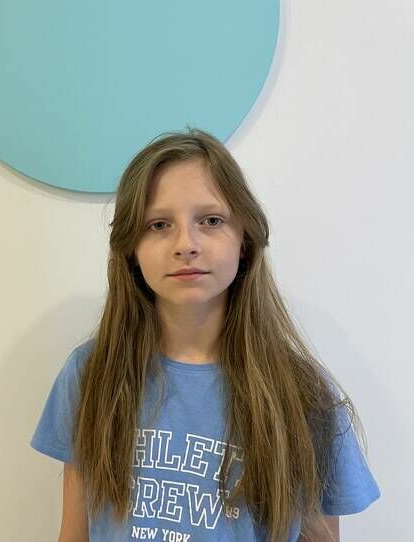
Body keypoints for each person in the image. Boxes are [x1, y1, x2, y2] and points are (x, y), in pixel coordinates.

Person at [30, 128, 380, 542]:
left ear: (245, 239)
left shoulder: (304, 395)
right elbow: (74, 534)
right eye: (159, 224)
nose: (186, 244)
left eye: (211, 220)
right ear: (131, 250)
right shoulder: (91, 374)